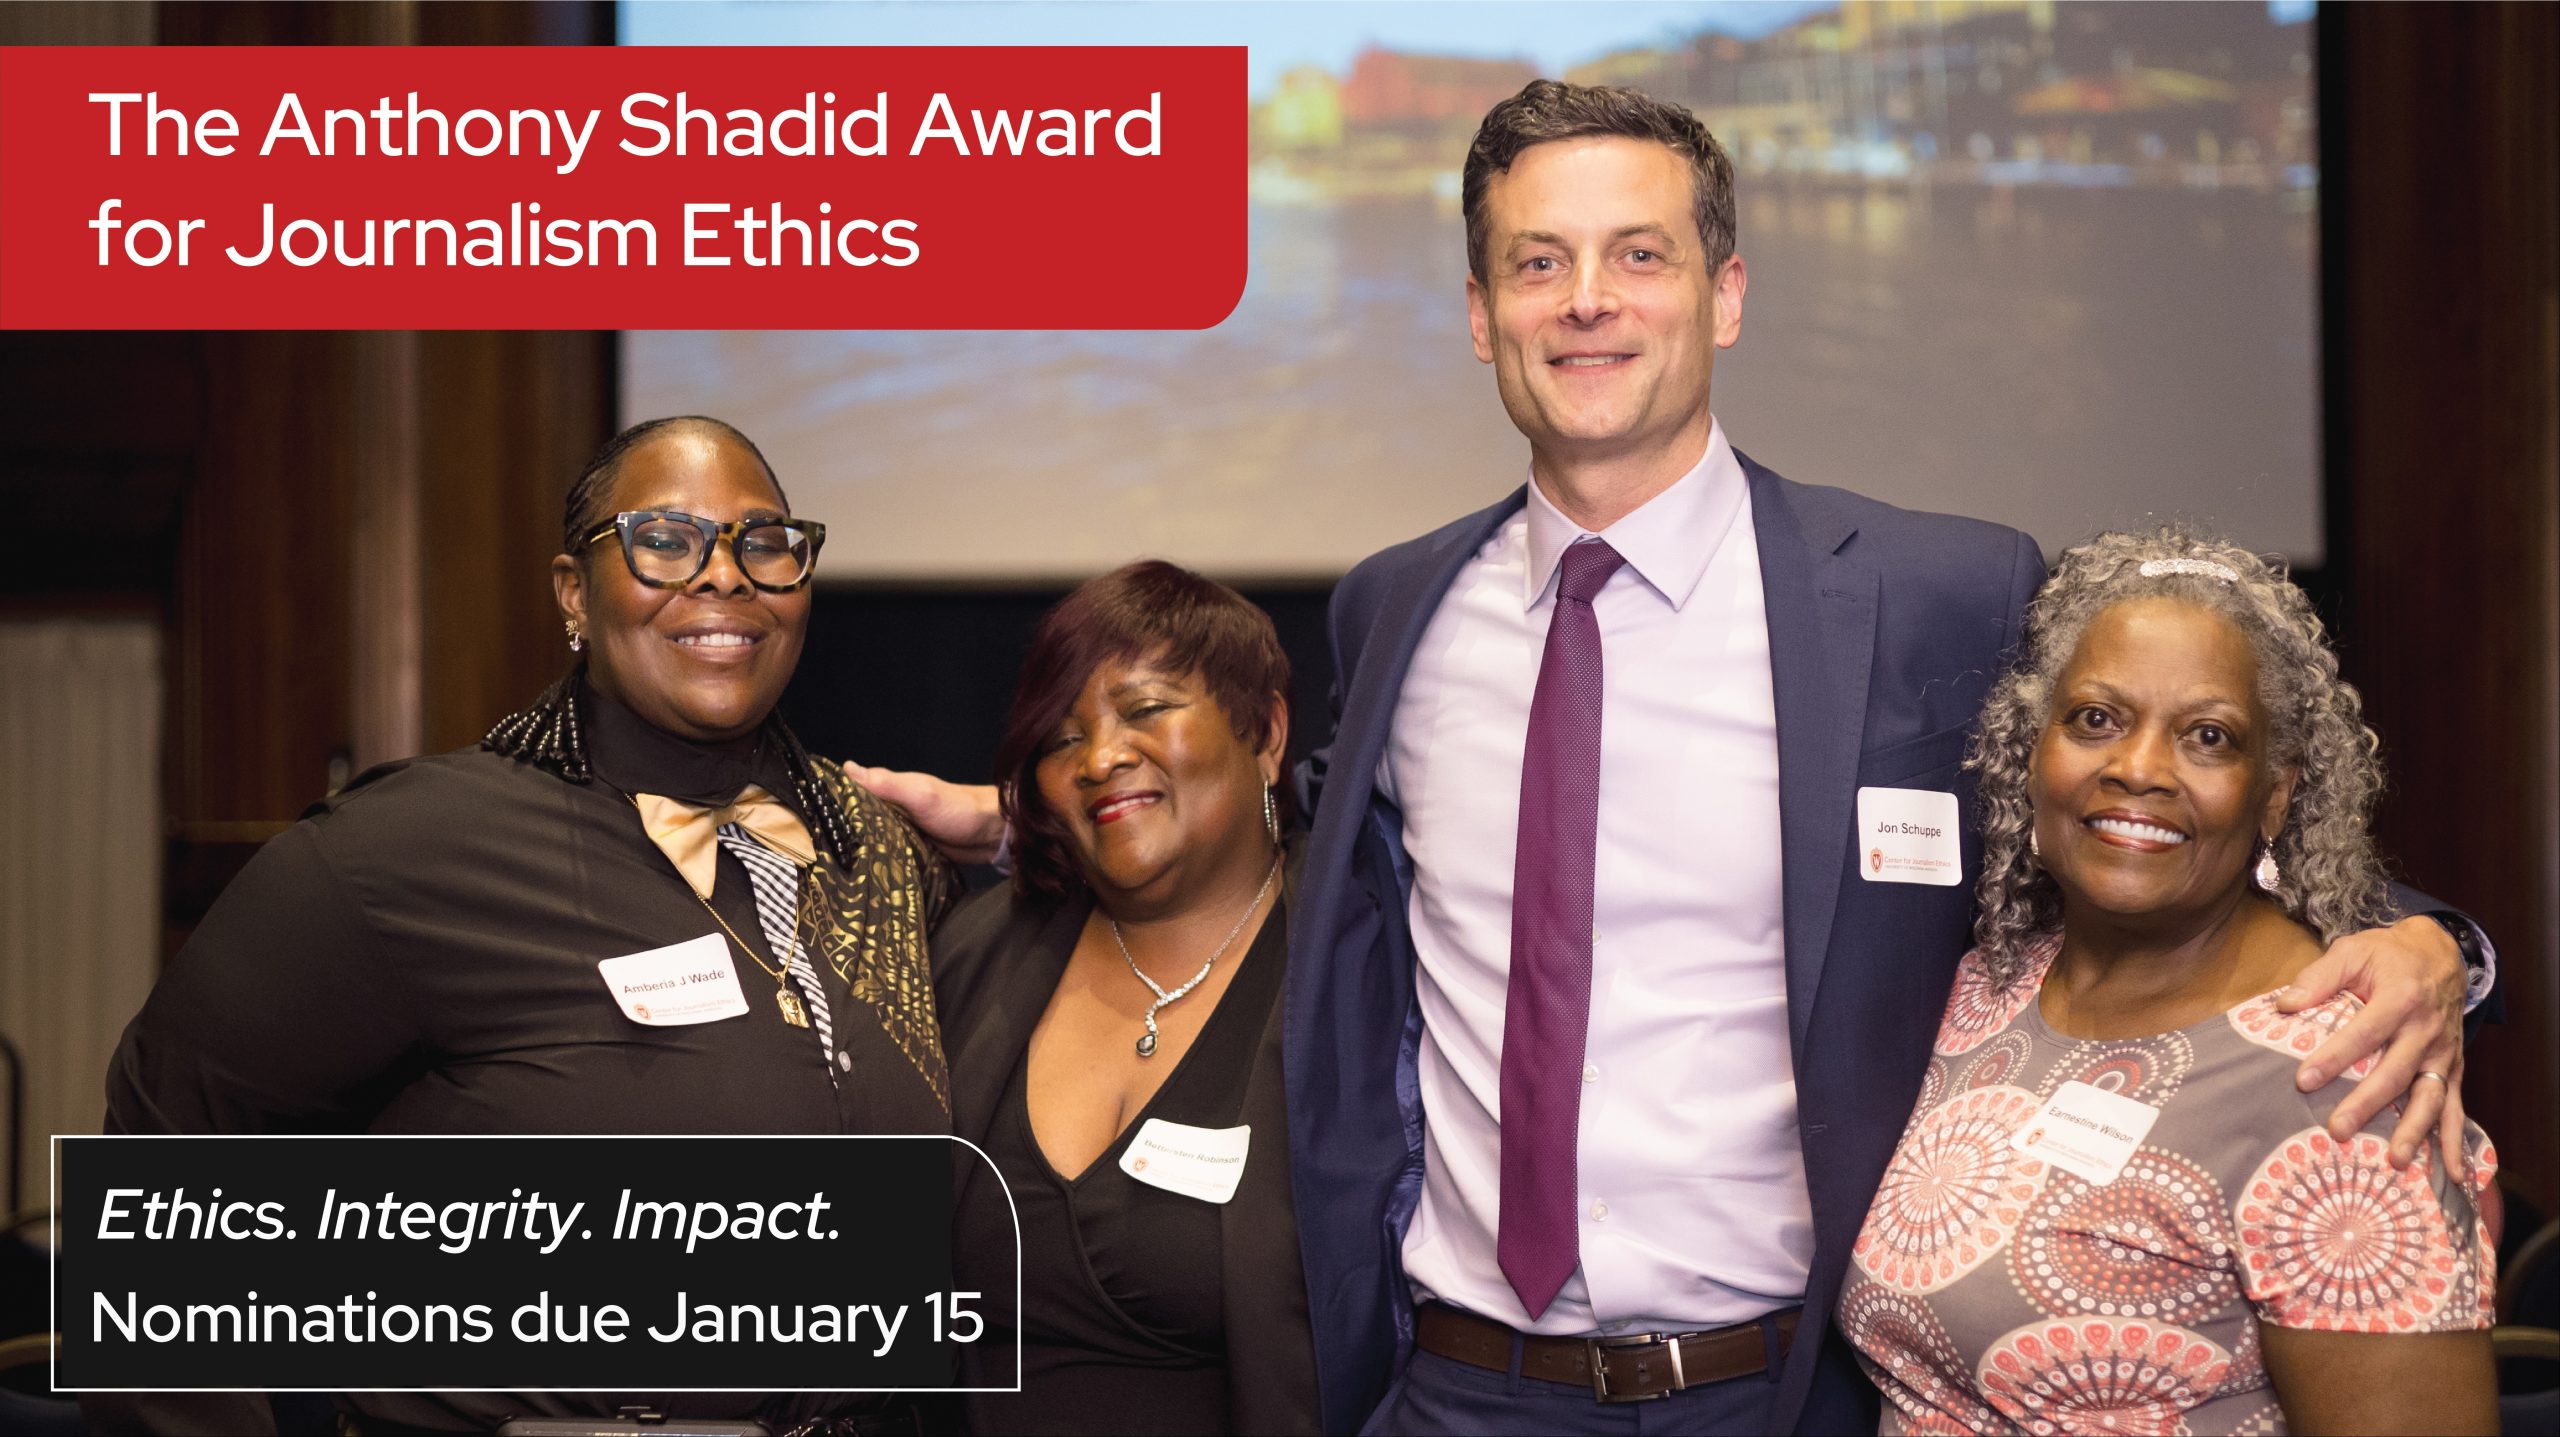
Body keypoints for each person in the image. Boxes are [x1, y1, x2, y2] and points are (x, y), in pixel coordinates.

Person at [853, 80, 2488, 1436]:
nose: (1586, 302)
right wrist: (1031, 828)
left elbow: (2151, 804)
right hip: (1451, 1381)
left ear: (1724, 292)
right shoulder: (1395, 604)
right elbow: (1308, 858)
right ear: (1480, 311)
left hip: (1785, 1388)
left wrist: (2419, 939)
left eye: (1637, 254)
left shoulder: (1932, 591)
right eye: (1537, 262)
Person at [93, 416, 956, 1436]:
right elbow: (168, 1131)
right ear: (572, 593)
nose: (724, 578)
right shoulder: (412, 846)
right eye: (665, 541)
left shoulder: (875, 852)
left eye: (763, 544)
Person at [1839, 530, 2497, 1435]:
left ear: (2274, 793)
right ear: (2034, 754)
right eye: (2097, 719)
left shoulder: (2350, 1082)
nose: (2139, 767)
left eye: (2208, 736)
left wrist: (2437, 946)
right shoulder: (1984, 987)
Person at [935, 561, 1322, 1435]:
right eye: (1062, 739)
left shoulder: (1355, 968)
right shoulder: (977, 951)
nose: (1102, 757)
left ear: (1264, 734)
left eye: (1146, 711)